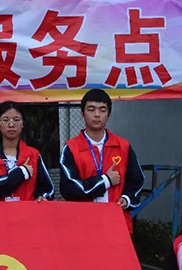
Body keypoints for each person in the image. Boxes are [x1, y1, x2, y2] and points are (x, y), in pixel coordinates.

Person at [59, 89, 144, 232]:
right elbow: (69, 189)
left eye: (102, 110)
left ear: (109, 115)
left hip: (116, 222)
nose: (97, 114)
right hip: (83, 224)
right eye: (91, 109)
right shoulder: (71, 148)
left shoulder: (122, 146)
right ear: (82, 114)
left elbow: (137, 180)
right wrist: (105, 181)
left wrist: (127, 199)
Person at [0, 101, 54, 202]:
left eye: (16, 120)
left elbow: (47, 189)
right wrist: (21, 173)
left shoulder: (34, 155)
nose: (11, 124)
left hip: (27, 211)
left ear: (23, 124)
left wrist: (43, 197)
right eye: (5, 120)